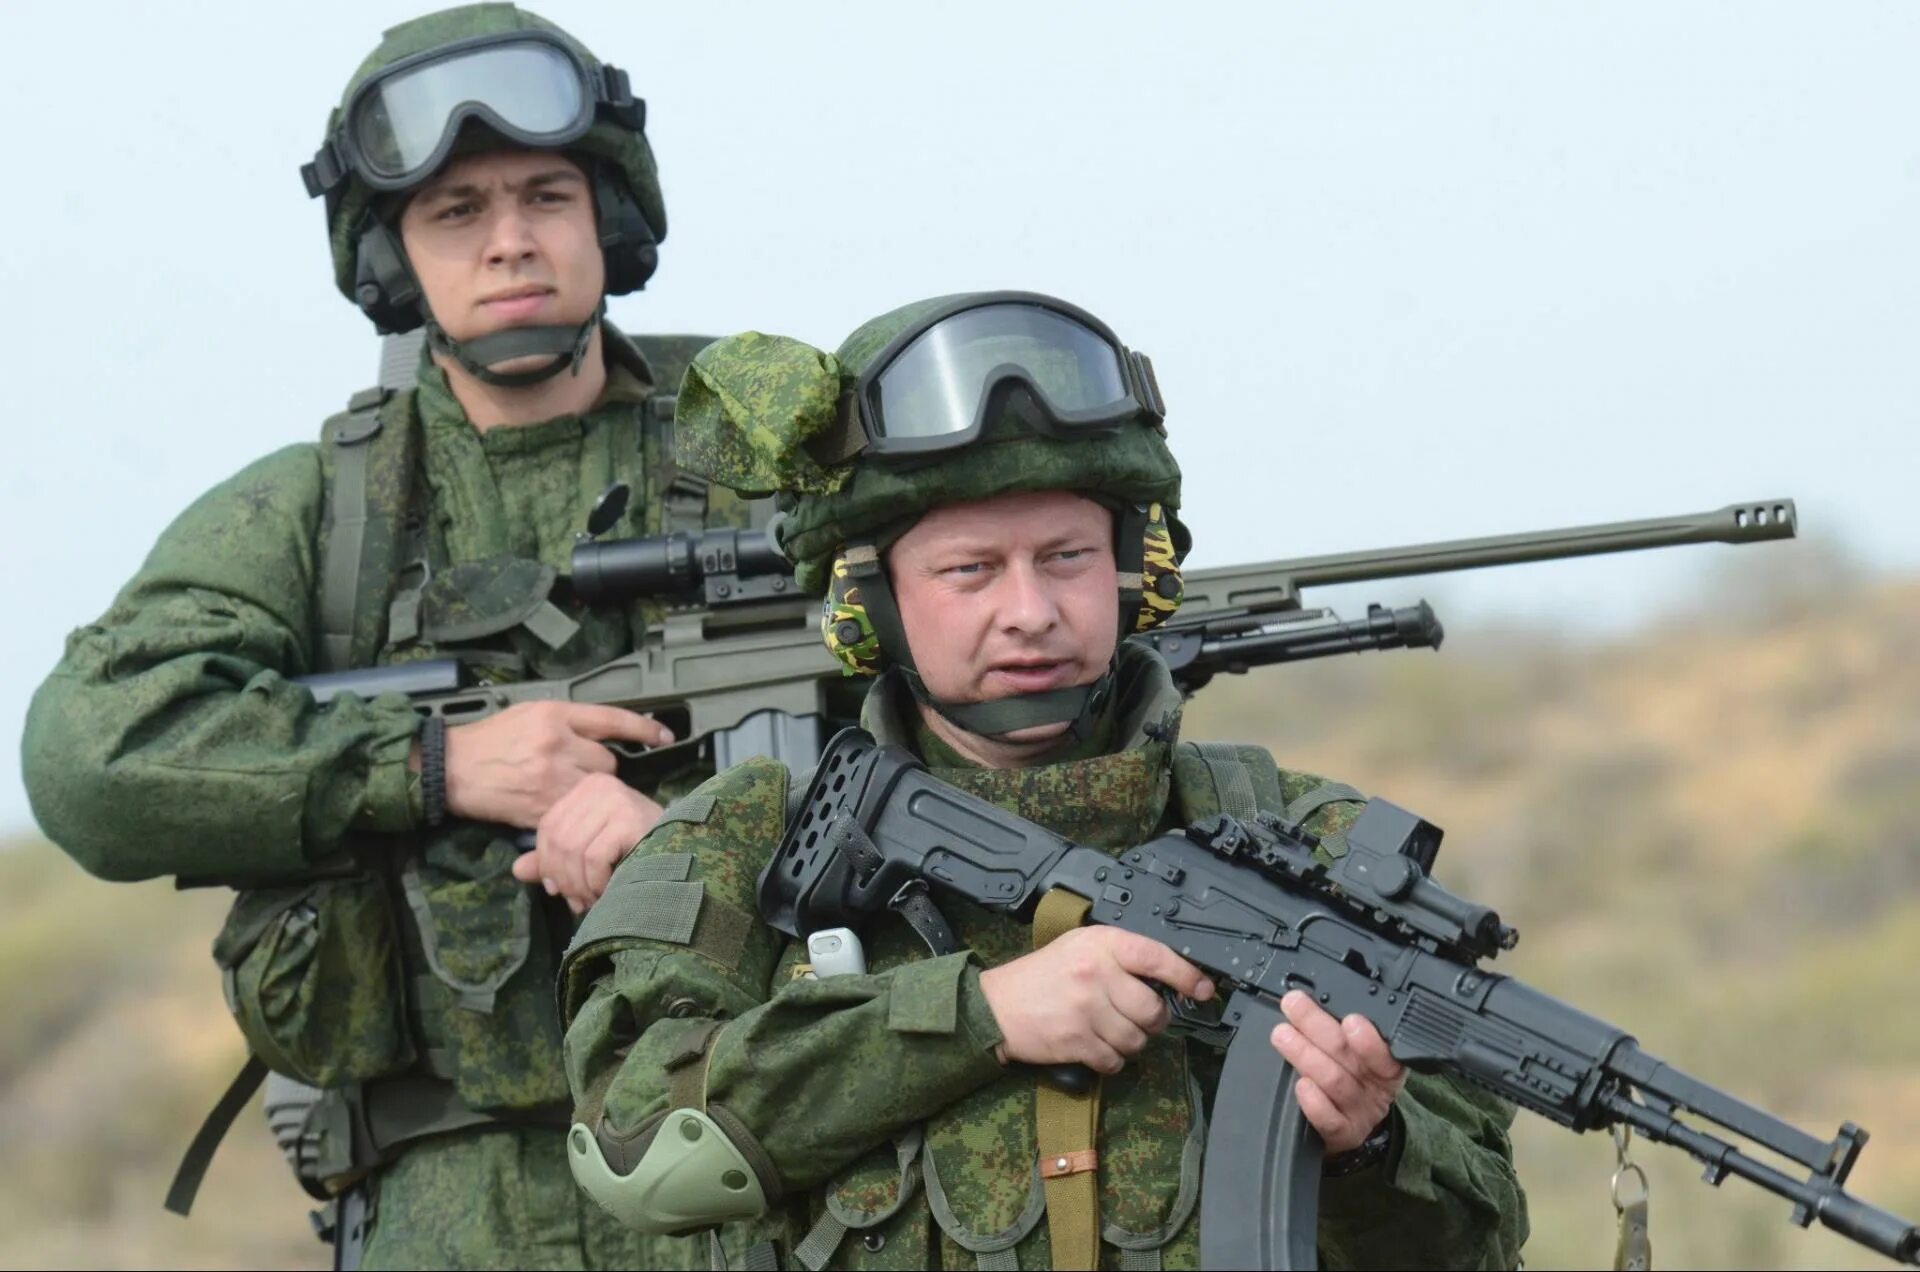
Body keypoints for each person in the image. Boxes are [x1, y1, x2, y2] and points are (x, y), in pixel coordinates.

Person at [556, 292, 1531, 1269]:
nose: (1029, 611)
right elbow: (634, 1148)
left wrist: (1370, 1145)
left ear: (1132, 570)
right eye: (971, 570)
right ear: (870, 604)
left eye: (1065, 558)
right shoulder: (752, 833)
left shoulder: (1311, 844)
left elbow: (1482, 1240)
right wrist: (976, 1018)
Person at [20, 4, 738, 1267]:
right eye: (457, 213)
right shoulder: (323, 509)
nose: (510, 241)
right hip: (454, 1209)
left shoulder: (763, 443)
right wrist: (434, 768)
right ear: (396, 252)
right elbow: (88, 753)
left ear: (606, 216)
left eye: (545, 195)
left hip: (763, 1163)